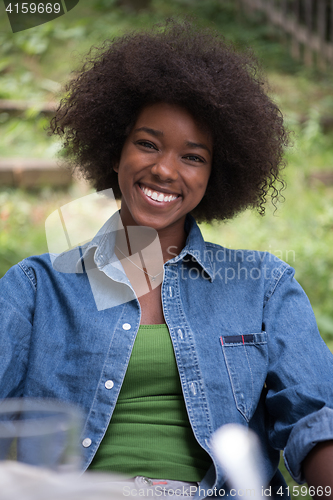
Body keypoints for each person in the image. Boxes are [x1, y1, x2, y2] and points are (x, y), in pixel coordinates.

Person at [1, 19, 333, 499]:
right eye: (147, 144)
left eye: (193, 157)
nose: (164, 169)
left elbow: (315, 420)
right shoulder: (36, 288)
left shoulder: (262, 285)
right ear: (115, 153)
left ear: (215, 174)